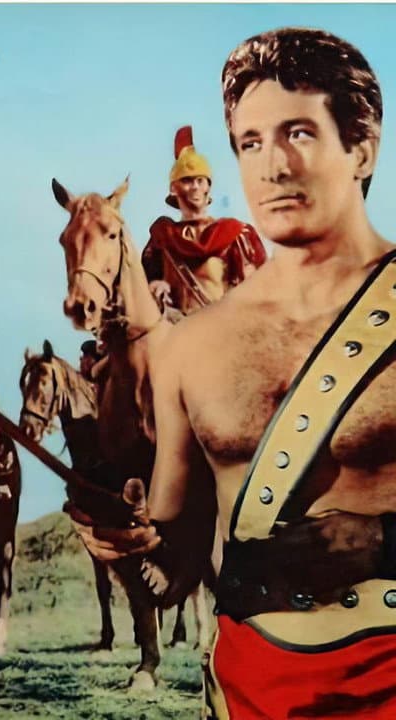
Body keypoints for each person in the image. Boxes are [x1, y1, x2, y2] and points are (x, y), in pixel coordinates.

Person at [66, 27, 396, 717]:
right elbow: (175, 568)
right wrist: (127, 542)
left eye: (298, 133)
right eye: (250, 142)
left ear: (362, 148)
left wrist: (382, 541)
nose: (271, 165)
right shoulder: (190, 348)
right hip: (248, 695)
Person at [141, 125, 266, 315]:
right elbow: (143, 286)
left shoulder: (234, 235)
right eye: (187, 180)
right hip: (176, 328)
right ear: (174, 189)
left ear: (208, 186)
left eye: (200, 180)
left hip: (222, 327)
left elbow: (257, 291)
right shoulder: (162, 238)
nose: (195, 187)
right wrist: (155, 284)